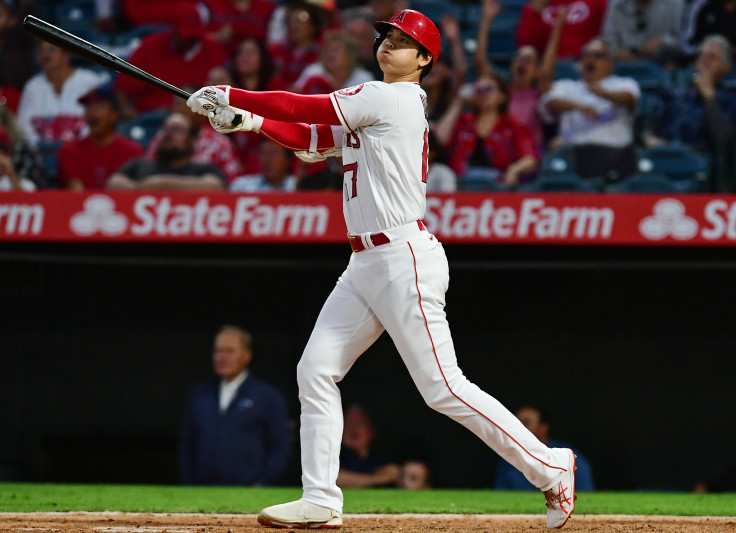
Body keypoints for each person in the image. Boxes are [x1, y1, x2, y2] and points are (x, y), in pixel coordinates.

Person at [187, 8, 577, 530]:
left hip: (402, 257)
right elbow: (310, 139)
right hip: (365, 262)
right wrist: (251, 122)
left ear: (423, 60)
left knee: (443, 387)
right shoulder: (374, 105)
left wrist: (234, 96)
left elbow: (308, 105)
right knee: (316, 370)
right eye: (387, 36)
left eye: (402, 40)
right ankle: (321, 499)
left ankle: (551, 466)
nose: (389, 44)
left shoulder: (388, 97)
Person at [178, 325, 291, 486]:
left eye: (230, 351)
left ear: (246, 356)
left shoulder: (267, 397)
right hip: (202, 489)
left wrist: (262, 483)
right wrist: (189, 484)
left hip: (248, 490)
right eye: (218, 351)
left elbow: (280, 447)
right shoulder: (199, 395)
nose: (222, 357)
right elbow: (187, 444)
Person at [538, 38, 640, 180]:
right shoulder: (567, 86)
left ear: (609, 63)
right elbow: (550, 102)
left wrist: (602, 93)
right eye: (587, 55)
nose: (591, 60)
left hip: (614, 155)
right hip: (573, 156)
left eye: (598, 56)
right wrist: (581, 106)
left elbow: (629, 98)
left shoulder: (622, 83)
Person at [477, 0, 566, 150]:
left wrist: (557, 28)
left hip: (528, 153)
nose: (521, 63)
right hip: (500, 149)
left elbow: (546, 73)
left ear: (537, 70)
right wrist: (486, 20)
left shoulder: (539, 93)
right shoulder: (502, 91)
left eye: (528, 60)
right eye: (518, 58)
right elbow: (481, 63)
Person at [113, 2, 228, 117]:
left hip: (197, 119)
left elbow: (225, 94)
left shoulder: (213, 49)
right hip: (152, 118)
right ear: (173, 30)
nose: (188, 41)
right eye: (185, 36)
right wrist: (128, 111)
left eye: (193, 36)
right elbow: (123, 89)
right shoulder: (150, 47)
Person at [434, 73, 540, 189]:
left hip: (497, 185)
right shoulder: (464, 121)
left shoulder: (513, 124)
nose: (483, 94)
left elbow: (530, 158)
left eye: (488, 89)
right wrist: (458, 103)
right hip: (461, 183)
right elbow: (438, 141)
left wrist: (514, 170)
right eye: (479, 90)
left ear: (502, 96)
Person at [646, 35, 736, 153]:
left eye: (712, 57)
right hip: (665, 153)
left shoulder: (728, 100)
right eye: (701, 55)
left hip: (701, 161)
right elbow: (650, 123)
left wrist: (709, 98)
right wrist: (649, 138)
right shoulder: (675, 89)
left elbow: (724, 139)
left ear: (726, 67)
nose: (704, 61)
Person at [106, 112, 226, 191]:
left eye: (176, 130)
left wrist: (160, 184)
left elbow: (215, 186)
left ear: (191, 141)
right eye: (165, 128)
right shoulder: (140, 165)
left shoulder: (204, 169)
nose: (167, 134)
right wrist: (142, 187)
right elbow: (113, 183)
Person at [56, 84, 144, 190]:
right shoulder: (70, 151)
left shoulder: (133, 151)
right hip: (81, 206)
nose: (92, 112)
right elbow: (76, 191)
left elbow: (136, 192)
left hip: (123, 205)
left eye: (99, 106)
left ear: (114, 114)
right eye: (88, 106)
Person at [17, 41, 103, 144]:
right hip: (41, 153)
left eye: (51, 49)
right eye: (41, 51)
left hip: (83, 150)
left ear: (66, 54)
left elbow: (98, 122)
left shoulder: (90, 81)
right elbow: (23, 127)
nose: (46, 55)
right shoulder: (32, 87)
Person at [494, 405, 594, 492]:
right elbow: (500, 496)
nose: (520, 428)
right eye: (517, 423)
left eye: (526, 423)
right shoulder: (509, 459)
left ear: (544, 427)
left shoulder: (569, 458)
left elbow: (585, 497)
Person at [516, 0, 608, 59]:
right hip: (546, 67)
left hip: (583, 63)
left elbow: (606, 38)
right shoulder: (537, 7)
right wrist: (534, 14)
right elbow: (526, 46)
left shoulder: (597, 2)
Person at [336, 405, 400, 488]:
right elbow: (333, 478)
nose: (354, 427)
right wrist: (380, 478)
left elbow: (394, 472)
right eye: (348, 422)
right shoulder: (333, 456)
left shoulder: (381, 457)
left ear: (371, 430)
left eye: (360, 422)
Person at [294, 30, 374, 95]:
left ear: (349, 55)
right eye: (327, 50)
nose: (330, 54)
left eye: (336, 50)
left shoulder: (363, 78)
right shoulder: (314, 72)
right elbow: (295, 94)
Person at [602, 0, 684, 63]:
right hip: (624, 67)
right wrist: (617, 53)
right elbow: (608, 40)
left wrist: (663, 41)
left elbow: (685, 43)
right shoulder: (617, 5)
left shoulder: (674, 3)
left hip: (663, 67)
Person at [230, 139, 296, 192]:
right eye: (264, 153)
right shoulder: (242, 187)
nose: (268, 158)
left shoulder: (297, 187)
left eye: (274, 153)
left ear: (288, 159)